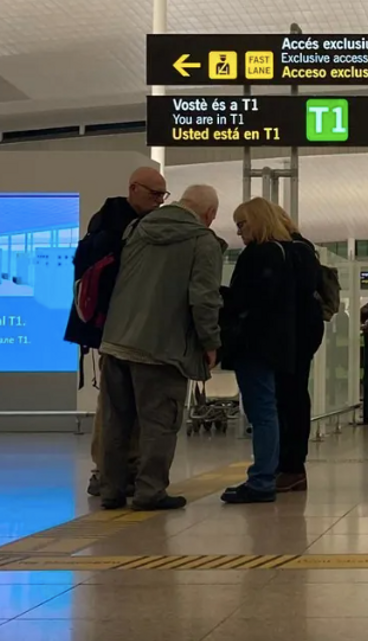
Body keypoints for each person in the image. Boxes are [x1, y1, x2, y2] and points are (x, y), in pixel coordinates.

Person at [98, 184, 222, 511]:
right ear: (209, 214)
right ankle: (150, 491)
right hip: (161, 348)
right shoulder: (202, 240)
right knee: (159, 423)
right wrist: (210, 342)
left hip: (116, 340)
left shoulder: (138, 227)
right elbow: (204, 298)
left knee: (115, 420)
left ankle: (111, 489)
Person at [67, 166, 169, 497]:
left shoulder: (104, 220)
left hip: (106, 326)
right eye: (154, 194)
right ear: (134, 188)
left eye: (162, 196)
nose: (159, 202)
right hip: (119, 328)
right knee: (117, 405)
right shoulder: (125, 228)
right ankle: (112, 470)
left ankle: (112, 472)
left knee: (115, 404)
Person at [220, 198, 298, 505]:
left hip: (254, 344)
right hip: (274, 344)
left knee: (261, 410)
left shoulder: (259, 254)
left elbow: (247, 299)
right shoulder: (285, 252)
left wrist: (222, 297)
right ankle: (265, 474)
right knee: (267, 409)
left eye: (243, 224)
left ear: (258, 221)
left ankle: (262, 478)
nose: (239, 232)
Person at [273, 208, 325, 492]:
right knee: (292, 396)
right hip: (300, 334)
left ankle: (292, 465)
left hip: (293, 336)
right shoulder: (304, 249)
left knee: (290, 398)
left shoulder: (292, 251)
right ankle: (290, 465)